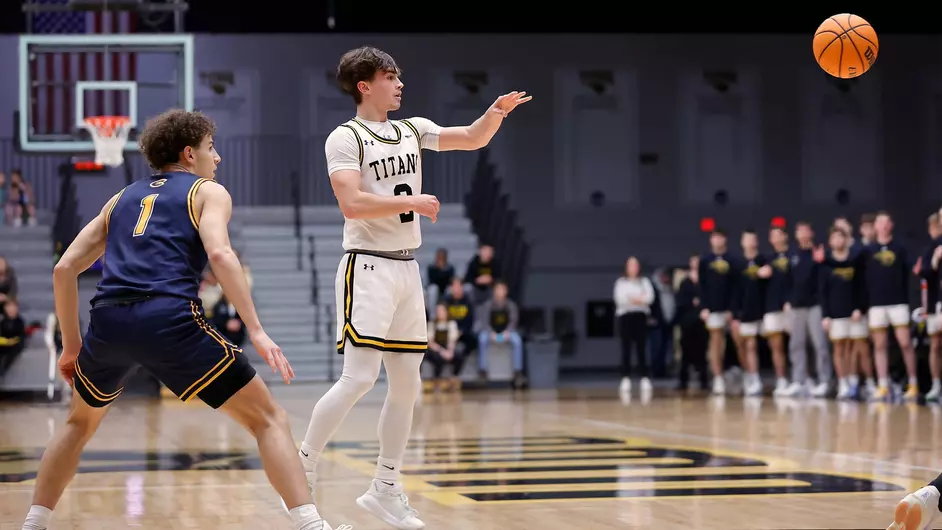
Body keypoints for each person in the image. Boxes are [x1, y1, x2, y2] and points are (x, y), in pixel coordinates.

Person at [18, 109, 346, 530]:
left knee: (78, 424)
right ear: (189, 154)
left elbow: (63, 269)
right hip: (168, 318)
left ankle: (33, 522)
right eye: (212, 148)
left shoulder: (119, 200)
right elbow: (222, 254)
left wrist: (72, 345)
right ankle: (311, 524)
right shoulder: (208, 192)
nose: (218, 158)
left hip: (109, 320)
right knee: (269, 419)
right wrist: (257, 330)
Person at [297, 46, 530, 530]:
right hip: (368, 267)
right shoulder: (344, 138)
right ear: (365, 85)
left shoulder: (411, 128)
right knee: (359, 379)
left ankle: (385, 487)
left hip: (407, 269)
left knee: (408, 385)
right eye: (390, 76)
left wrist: (494, 114)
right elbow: (352, 204)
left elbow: (469, 138)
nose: (400, 84)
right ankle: (302, 467)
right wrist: (419, 201)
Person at [819, 225, 867, 400]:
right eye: (834, 238)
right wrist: (825, 315)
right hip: (835, 313)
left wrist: (859, 308)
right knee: (839, 348)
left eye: (841, 237)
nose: (838, 241)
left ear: (847, 240)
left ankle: (854, 380)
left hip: (853, 312)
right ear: (830, 242)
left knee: (853, 347)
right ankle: (843, 383)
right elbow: (822, 292)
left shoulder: (855, 262)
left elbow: (861, 287)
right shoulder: (825, 265)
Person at [613, 256, 655, 396]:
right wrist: (639, 299)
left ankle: (644, 377)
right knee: (626, 348)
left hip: (641, 317)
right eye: (630, 265)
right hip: (625, 317)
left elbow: (650, 298)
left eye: (635, 265)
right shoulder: (621, 283)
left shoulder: (645, 282)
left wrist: (634, 299)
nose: (633, 268)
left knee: (641, 348)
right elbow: (620, 299)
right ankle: (625, 378)